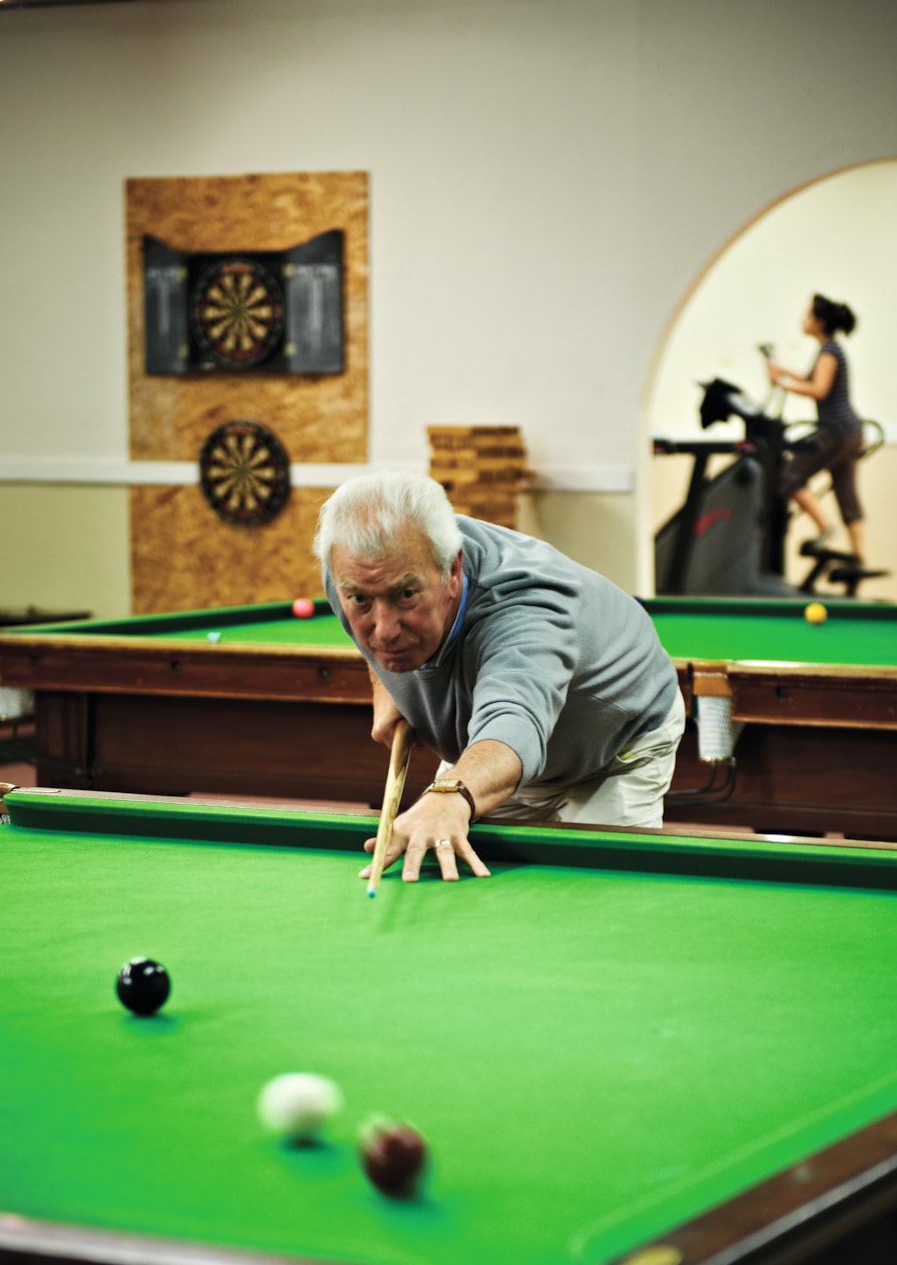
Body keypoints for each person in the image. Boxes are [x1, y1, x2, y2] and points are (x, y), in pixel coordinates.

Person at [314, 472, 685, 883]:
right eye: (362, 600)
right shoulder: (350, 570)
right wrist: (385, 686)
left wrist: (452, 792)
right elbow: (372, 632)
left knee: (595, 896)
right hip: (489, 745)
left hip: (615, 746)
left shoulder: (525, 610)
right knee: (447, 862)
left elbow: (514, 723)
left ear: (452, 571)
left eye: (406, 595)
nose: (383, 630)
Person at [765, 294, 868, 564]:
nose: (803, 320)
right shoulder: (830, 349)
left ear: (820, 322)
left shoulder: (829, 351)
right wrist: (782, 371)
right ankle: (859, 556)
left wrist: (782, 384)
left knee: (789, 477)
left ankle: (825, 527)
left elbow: (819, 389)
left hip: (837, 430)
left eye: (807, 315)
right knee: (846, 493)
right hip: (851, 432)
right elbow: (811, 377)